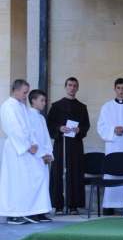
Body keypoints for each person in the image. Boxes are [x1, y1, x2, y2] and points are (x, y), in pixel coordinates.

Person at [0, 80, 51, 225]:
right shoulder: (8, 107)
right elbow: (13, 129)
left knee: (30, 179)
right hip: (16, 148)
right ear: (15, 91)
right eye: (24, 92)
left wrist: (34, 145)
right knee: (16, 181)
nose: (26, 95)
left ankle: (28, 210)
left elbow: (29, 129)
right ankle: (13, 214)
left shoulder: (21, 106)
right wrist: (28, 146)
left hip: (27, 147)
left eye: (27, 92)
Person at [48, 77, 90, 216]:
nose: (72, 88)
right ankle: (58, 205)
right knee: (58, 172)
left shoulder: (82, 108)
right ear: (65, 87)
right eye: (70, 85)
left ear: (77, 88)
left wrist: (80, 130)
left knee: (75, 172)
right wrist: (59, 128)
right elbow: (49, 125)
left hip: (76, 145)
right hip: (60, 144)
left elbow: (86, 125)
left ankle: (73, 205)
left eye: (75, 86)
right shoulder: (56, 106)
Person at [97, 78, 123, 216]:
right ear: (114, 89)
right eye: (118, 88)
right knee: (111, 173)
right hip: (113, 145)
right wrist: (113, 129)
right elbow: (101, 126)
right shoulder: (107, 107)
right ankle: (109, 205)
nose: (121, 91)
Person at [27, 89, 54, 223]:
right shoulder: (28, 116)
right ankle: (33, 212)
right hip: (35, 157)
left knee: (44, 184)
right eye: (42, 100)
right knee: (36, 184)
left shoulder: (41, 117)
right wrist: (41, 154)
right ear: (33, 101)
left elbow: (45, 137)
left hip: (44, 157)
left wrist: (49, 153)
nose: (44, 103)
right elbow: (33, 138)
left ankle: (42, 210)